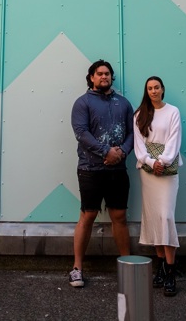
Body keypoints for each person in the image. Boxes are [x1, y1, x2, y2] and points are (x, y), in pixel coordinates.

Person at [69, 59, 134, 288]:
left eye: (107, 74)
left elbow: (131, 134)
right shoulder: (82, 103)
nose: (104, 77)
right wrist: (107, 151)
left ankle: (128, 267)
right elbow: (81, 133)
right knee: (88, 216)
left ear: (111, 77)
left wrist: (122, 153)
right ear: (91, 78)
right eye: (99, 74)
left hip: (118, 170)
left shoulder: (124, 103)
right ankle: (77, 268)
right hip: (90, 170)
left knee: (119, 218)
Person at [133, 76, 182, 297]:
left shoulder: (173, 112)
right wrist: (152, 163)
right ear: (147, 91)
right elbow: (138, 145)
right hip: (149, 173)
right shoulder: (139, 114)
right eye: (149, 88)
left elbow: (174, 140)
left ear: (163, 89)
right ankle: (161, 267)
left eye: (156, 87)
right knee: (153, 217)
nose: (153, 91)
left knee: (166, 217)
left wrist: (163, 161)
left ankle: (171, 271)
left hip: (167, 172)